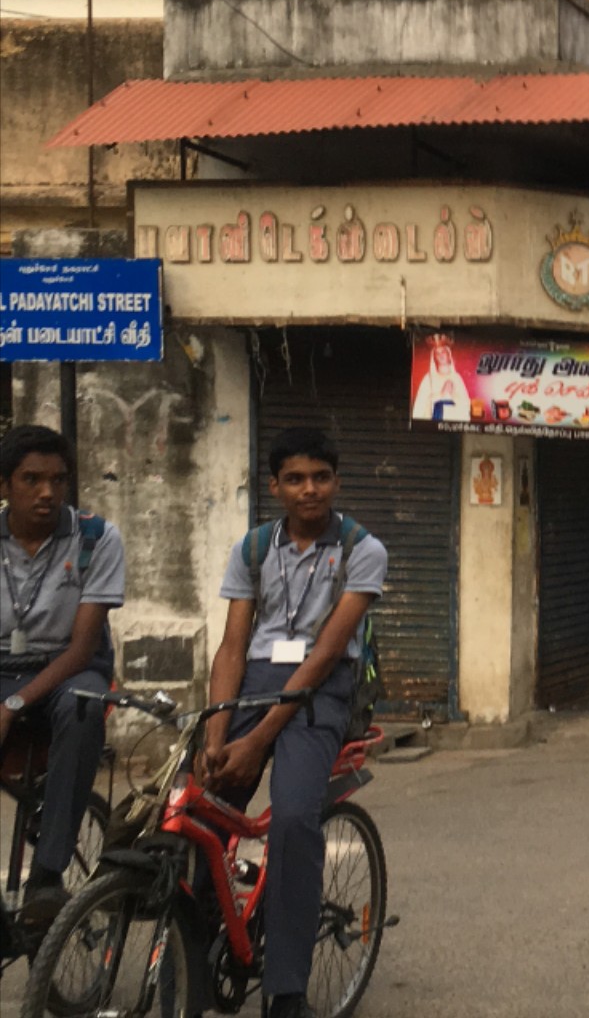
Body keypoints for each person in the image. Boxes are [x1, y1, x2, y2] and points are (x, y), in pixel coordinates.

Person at [199, 429, 388, 1018]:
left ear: (335, 481)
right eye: (296, 479)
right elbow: (232, 647)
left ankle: (286, 989)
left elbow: (327, 653)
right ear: (275, 485)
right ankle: (207, 950)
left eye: (321, 477)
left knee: (294, 821)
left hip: (319, 694)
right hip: (253, 685)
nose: (310, 490)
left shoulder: (362, 549)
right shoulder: (253, 548)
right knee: (198, 810)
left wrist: (257, 741)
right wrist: (217, 733)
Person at [0, 425, 125, 927]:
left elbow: (81, 649)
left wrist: (12, 705)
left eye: (58, 480)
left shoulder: (96, 537)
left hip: (71, 668)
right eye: (31, 479)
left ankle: (48, 875)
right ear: (6, 484)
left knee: (82, 705)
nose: (48, 492)